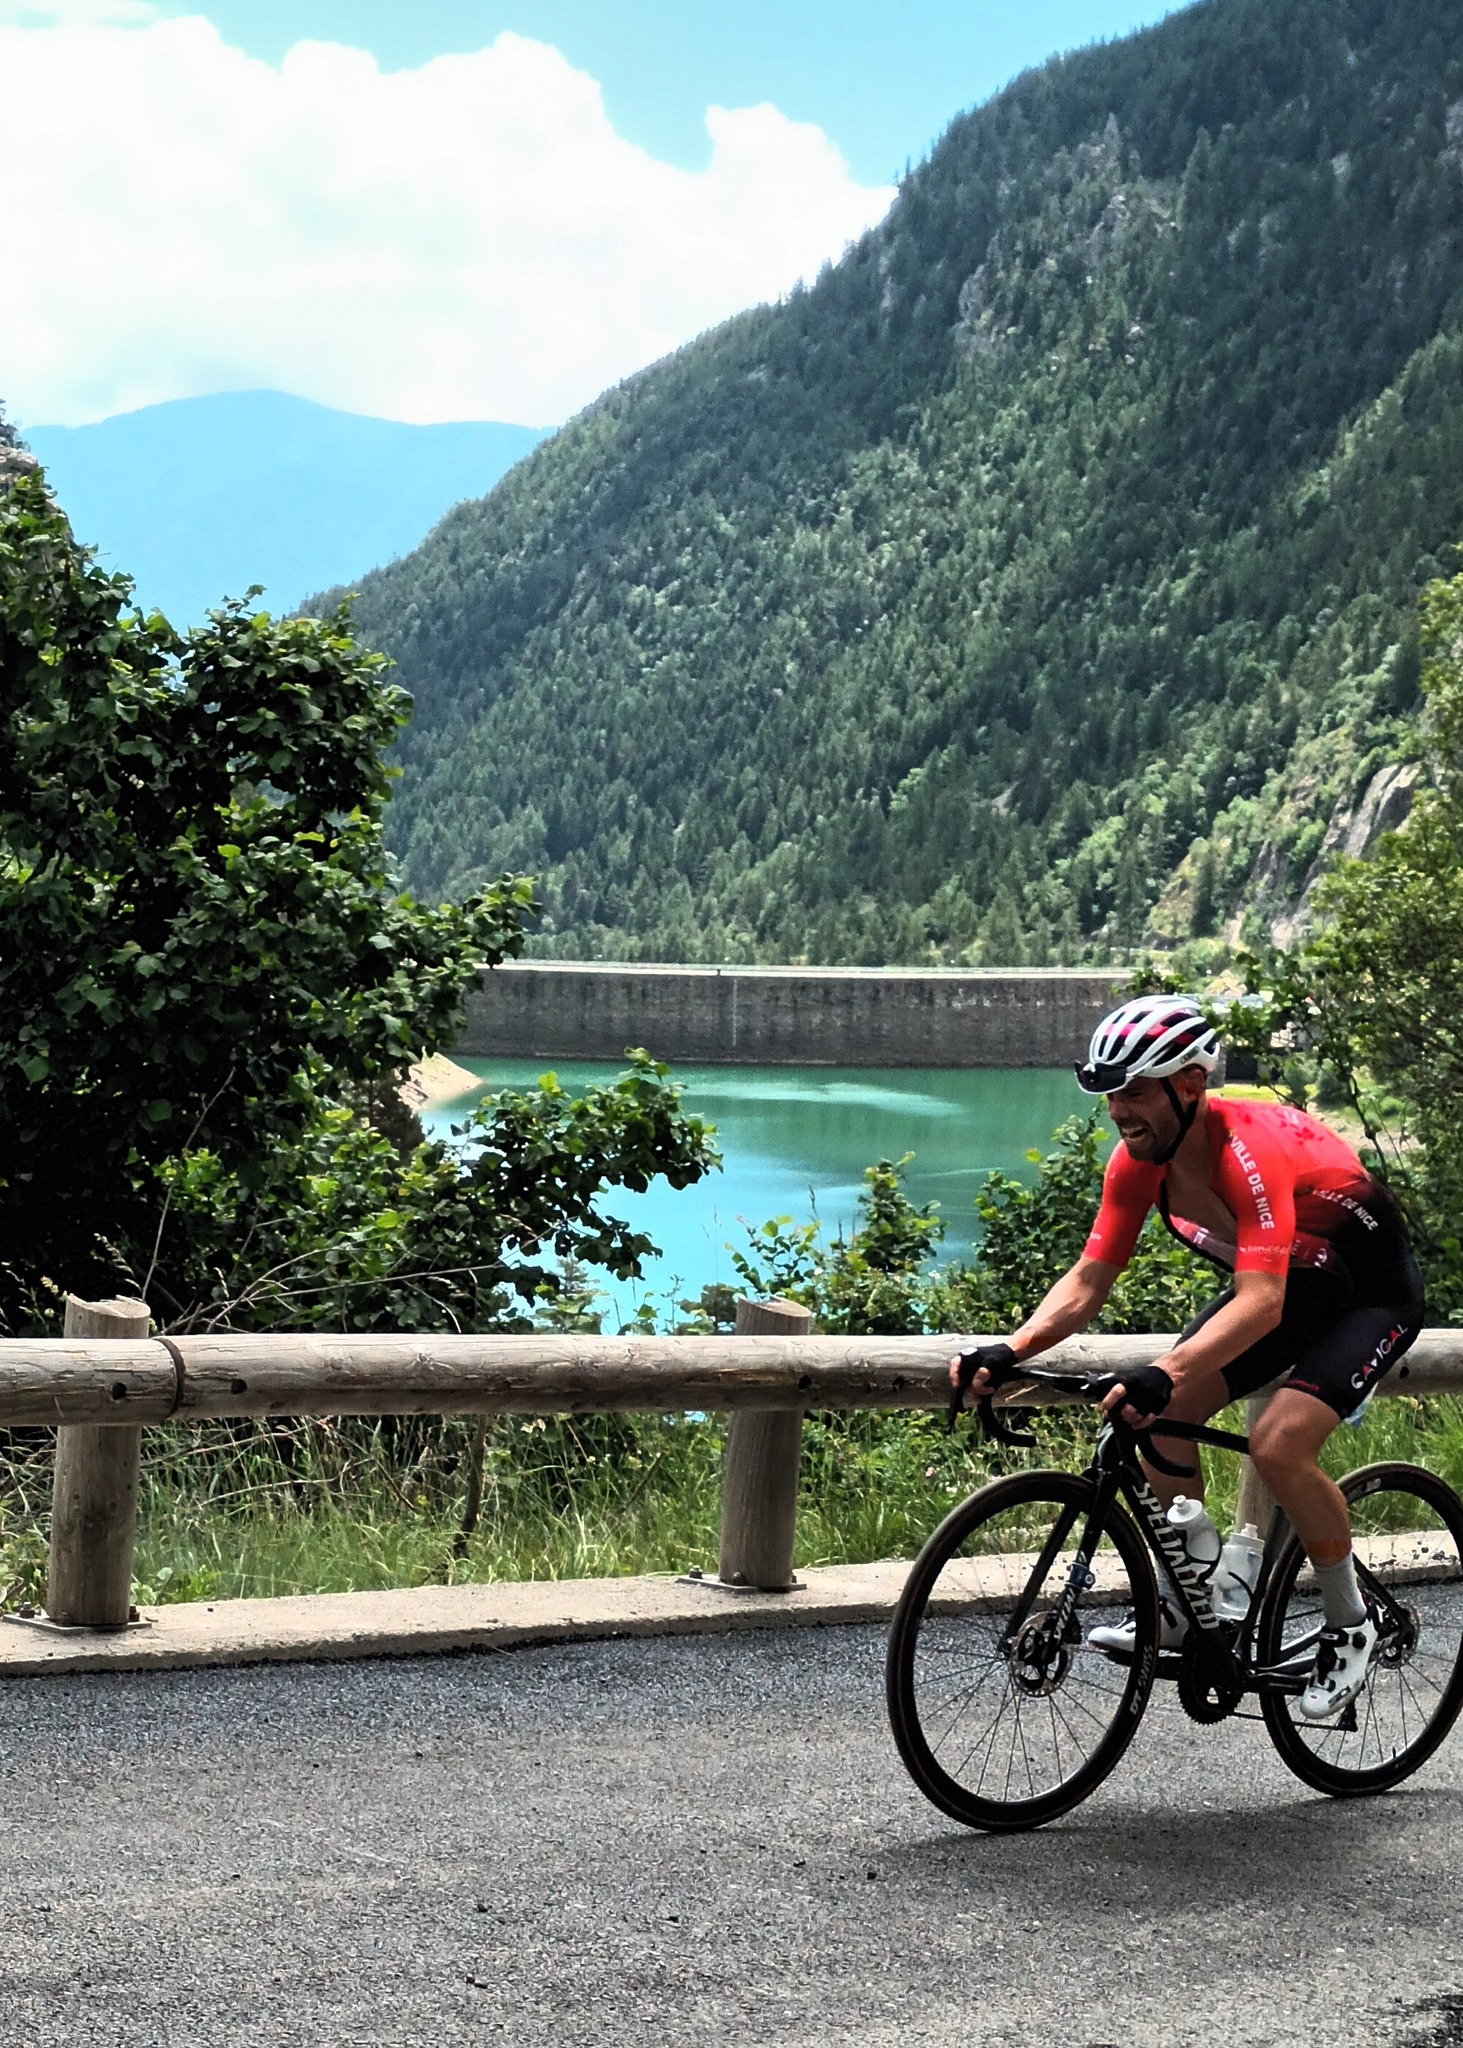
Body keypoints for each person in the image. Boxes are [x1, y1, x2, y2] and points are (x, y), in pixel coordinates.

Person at [950, 992, 1426, 1721]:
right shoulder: (1136, 1163)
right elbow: (1089, 1279)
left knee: (1278, 1444)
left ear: (1190, 1084)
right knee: (1159, 1416)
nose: (1117, 1110)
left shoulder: (1246, 1152)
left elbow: (1260, 1302)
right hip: (1295, 1284)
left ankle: (1350, 1623)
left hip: (1369, 1295)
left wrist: (1163, 1370)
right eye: (1111, 1094)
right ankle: (1191, 1599)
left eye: (1135, 1092)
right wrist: (1011, 1348)